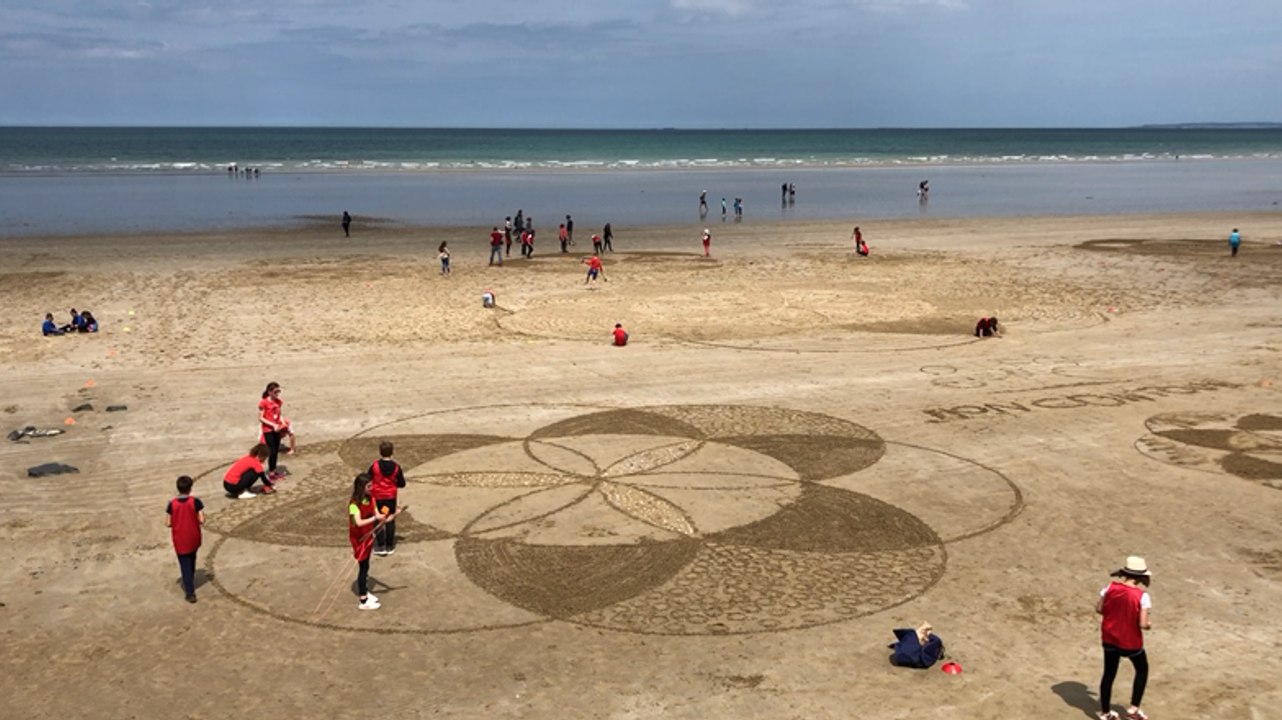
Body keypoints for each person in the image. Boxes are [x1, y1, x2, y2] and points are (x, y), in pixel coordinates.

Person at [1095, 556, 1153, 720]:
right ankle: (1133, 710)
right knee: (1142, 669)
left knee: (1109, 673)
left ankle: (1105, 713)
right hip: (1130, 642)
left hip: (1109, 638)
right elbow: (1142, 624)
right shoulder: (1142, 596)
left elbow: (1099, 608)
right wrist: (1148, 624)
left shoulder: (1110, 588)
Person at [348, 473, 401, 611]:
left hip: (368, 535)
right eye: (369, 486)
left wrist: (389, 516)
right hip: (359, 538)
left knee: (366, 566)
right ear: (361, 487)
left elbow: (378, 515)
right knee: (363, 567)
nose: (372, 488)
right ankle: (363, 599)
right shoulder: (354, 504)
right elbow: (358, 522)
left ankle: (365, 590)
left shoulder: (371, 498)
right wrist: (375, 520)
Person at [165, 475, 204, 603]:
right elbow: (202, 519)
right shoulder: (195, 502)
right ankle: (190, 578)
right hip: (193, 536)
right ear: (190, 488)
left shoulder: (172, 504)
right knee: (192, 558)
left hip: (180, 538)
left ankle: (190, 592)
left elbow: (168, 523)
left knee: (184, 564)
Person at [258, 382, 292, 477]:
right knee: (272, 451)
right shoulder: (264, 403)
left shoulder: (278, 402)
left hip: (277, 429)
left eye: (278, 391)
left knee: (275, 450)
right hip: (268, 430)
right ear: (269, 392)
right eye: (275, 391)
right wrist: (272, 424)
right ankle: (271, 472)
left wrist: (283, 422)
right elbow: (261, 418)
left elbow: (279, 414)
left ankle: (273, 469)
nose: (277, 393)